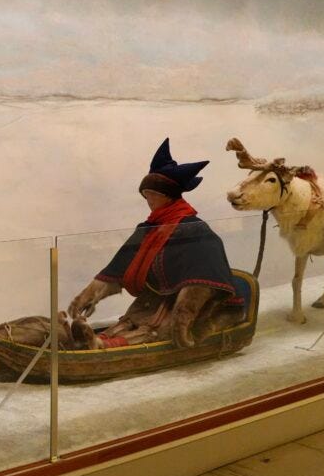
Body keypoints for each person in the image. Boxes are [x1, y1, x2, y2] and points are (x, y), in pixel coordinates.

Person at [68, 138, 243, 349]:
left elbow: (204, 279)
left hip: (199, 303)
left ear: (168, 196)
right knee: (130, 321)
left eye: (153, 194)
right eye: (146, 195)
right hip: (156, 298)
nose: (148, 200)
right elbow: (118, 268)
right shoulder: (149, 228)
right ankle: (99, 339)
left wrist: (184, 316)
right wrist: (87, 296)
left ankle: (103, 345)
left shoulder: (194, 229)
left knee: (153, 330)